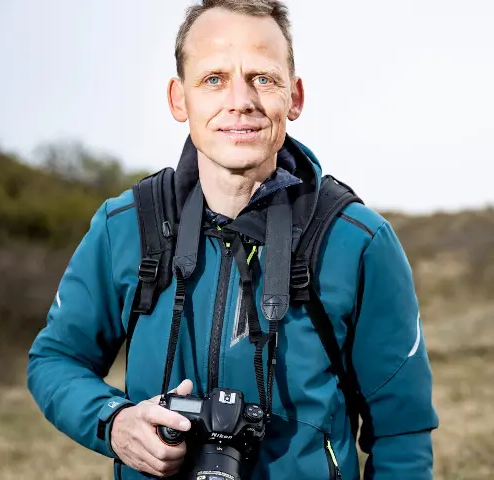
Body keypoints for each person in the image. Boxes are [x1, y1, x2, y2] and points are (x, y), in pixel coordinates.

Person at [26, 1, 439, 478]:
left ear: (295, 96)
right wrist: (114, 421)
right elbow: (55, 359)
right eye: (214, 79)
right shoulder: (125, 227)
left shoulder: (359, 242)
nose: (240, 100)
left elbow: (401, 434)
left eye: (262, 78)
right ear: (179, 99)